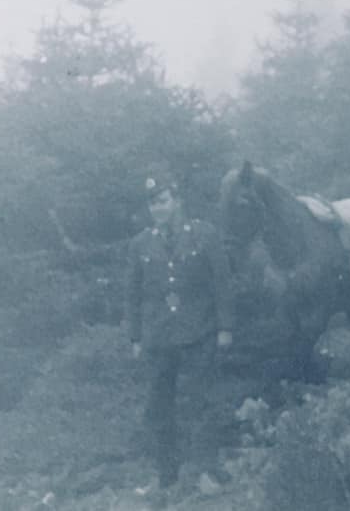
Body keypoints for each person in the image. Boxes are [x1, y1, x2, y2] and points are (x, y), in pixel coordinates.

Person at [126, 172, 234, 493]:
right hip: (158, 336)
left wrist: (226, 327)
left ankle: (206, 471)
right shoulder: (140, 244)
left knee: (201, 401)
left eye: (163, 201)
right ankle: (166, 474)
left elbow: (222, 285)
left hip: (198, 331)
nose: (158, 209)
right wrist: (135, 337)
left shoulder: (204, 234)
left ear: (176, 201)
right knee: (158, 406)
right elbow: (133, 294)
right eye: (152, 204)